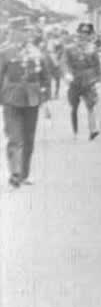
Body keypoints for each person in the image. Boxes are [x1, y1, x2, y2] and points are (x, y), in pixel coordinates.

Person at [0, 17, 52, 187]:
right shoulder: (5, 52)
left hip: (32, 99)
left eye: (27, 31)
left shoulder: (37, 52)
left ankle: (24, 174)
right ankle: (15, 173)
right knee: (14, 137)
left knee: (29, 138)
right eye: (22, 30)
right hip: (11, 98)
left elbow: (45, 78)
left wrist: (46, 100)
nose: (25, 34)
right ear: (13, 31)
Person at [63, 21, 101, 140]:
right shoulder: (69, 48)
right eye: (82, 32)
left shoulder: (92, 48)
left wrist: (98, 80)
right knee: (74, 107)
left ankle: (93, 130)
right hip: (74, 80)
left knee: (91, 105)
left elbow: (97, 65)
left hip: (89, 80)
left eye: (87, 33)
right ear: (78, 33)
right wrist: (67, 74)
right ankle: (75, 132)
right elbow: (65, 63)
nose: (84, 35)